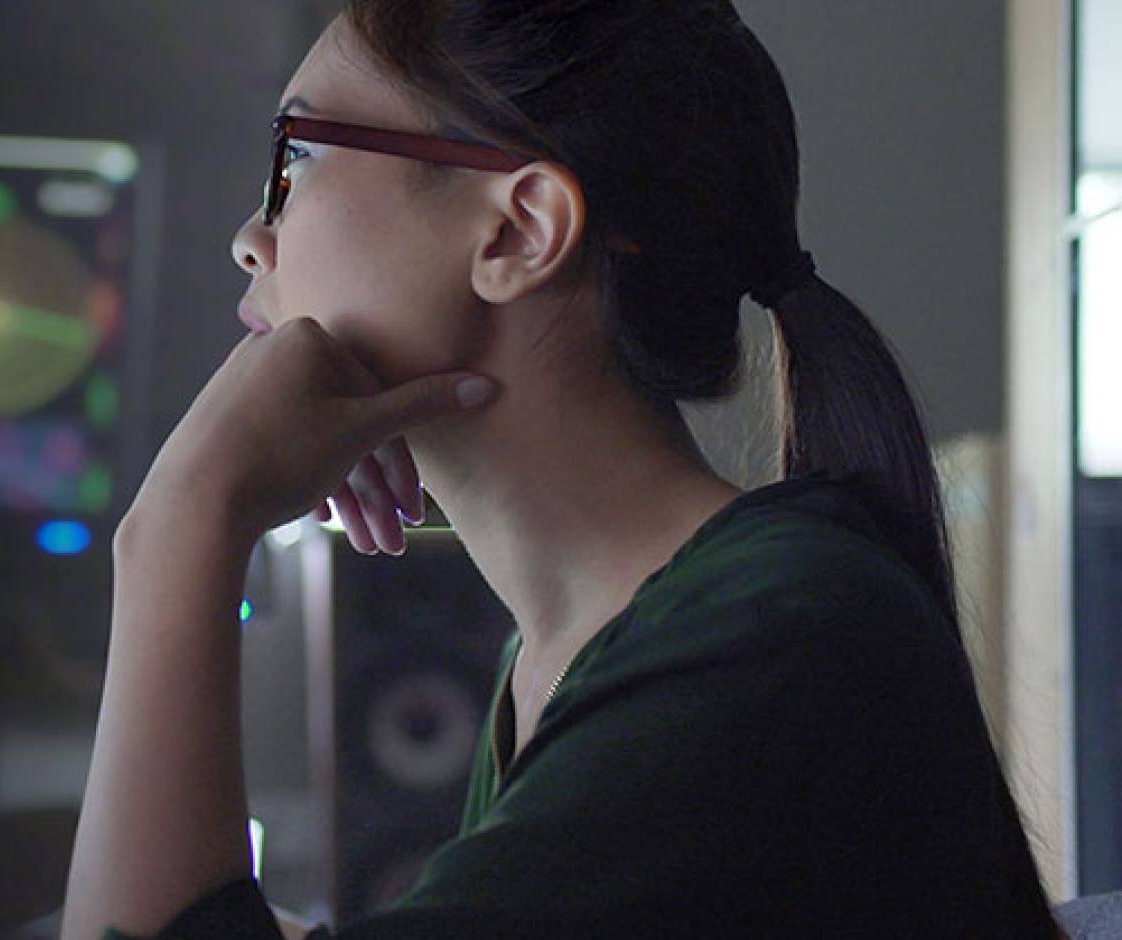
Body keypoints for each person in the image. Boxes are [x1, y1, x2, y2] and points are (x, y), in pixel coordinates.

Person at [60, 2, 1071, 938]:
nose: (250, 239)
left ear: (518, 229)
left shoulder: (774, 636)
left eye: (301, 156)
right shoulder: (575, 650)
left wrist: (181, 523)